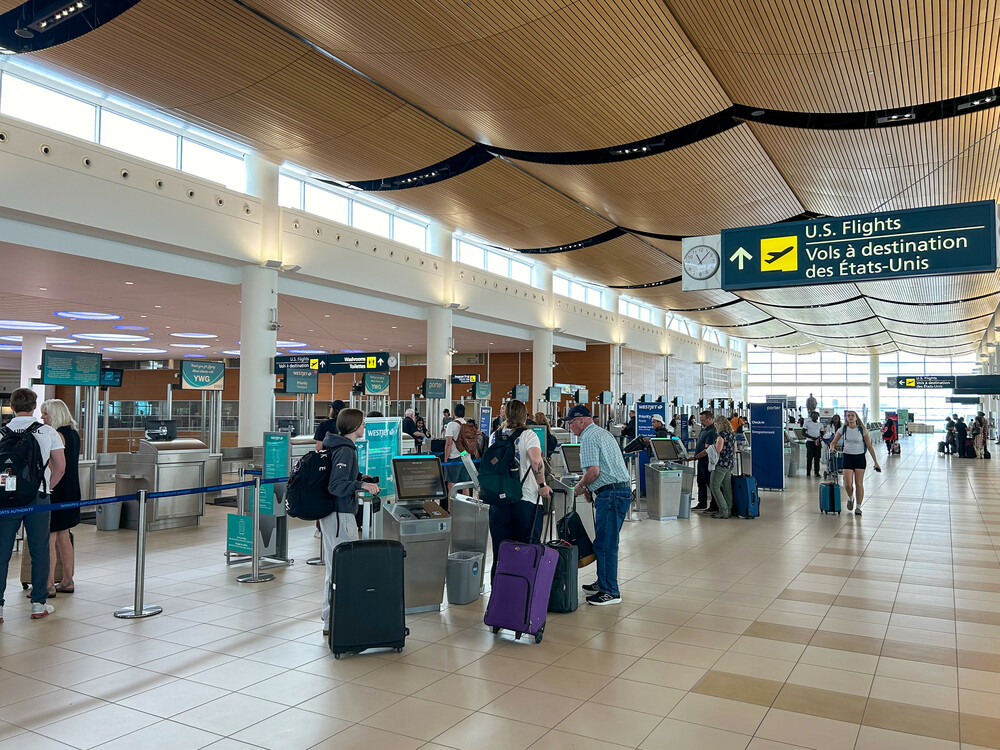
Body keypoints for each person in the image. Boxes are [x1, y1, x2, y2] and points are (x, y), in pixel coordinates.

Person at [0, 388, 66, 622]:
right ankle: (38, 603)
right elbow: (60, 467)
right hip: (38, 498)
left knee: (2, 552)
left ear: (11, 405)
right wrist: (46, 487)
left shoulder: (2, 432)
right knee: (40, 550)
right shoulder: (47, 431)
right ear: (35, 406)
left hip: (6, 499)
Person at [319, 408, 379, 636]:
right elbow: (335, 486)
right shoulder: (344, 450)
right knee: (342, 567)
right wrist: (360, 485)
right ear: (354, 427)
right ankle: (336, 619)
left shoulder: (337, 446)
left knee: (335, 567)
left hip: (335, 515)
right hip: (339, 516)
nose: (364, 427)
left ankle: (331, 618)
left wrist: (358, 478)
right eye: (362, 423)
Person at [567, 405, 631, 606]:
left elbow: (594, 470)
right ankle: (602, 581)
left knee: (605, 543)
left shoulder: (587, 437)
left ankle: (610, 591)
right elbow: (603, 468)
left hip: (611, 495)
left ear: (581, 420)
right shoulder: (603, 433)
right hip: (619, 491)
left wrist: (580, 486)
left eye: (571, 423)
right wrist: (591, 488)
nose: (570, 428)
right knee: (605, 540)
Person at [487, 400, 551, 582]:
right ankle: (525, 592)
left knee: (501, 549)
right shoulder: (529, 435)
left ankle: (500, 592)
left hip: (499, 501)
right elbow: (536, 461)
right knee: (527, 549)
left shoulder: (495, 435)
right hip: (526, 500)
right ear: (525, 415)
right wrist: (542, 485)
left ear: (505, 414)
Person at [41, 399, 79, 595]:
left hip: (56, 491)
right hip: (72, 490)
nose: (42, 417)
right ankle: (67, 580)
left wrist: (47, 487)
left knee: (49, 538)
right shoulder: (73, 433)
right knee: (64, 536)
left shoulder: (56, 435)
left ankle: (48, 585)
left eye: (45, 414)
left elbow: (56, 467)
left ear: (54, 414)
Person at [830, 410, 881, 517]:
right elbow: (833, 442)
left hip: (859, 458)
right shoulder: (843, 429)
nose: (850, 417)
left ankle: (858, 507)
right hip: (847, 457)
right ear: (846, 418)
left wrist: (876, 462)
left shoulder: (862, 430)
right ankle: (850, 498)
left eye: (852, 415)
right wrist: (832, 448)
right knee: (848, 484)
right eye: (848, 416)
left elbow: (870, 447)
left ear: (856, 417)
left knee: (859, 483)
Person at [705, 416, 736, 518]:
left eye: (715, 424)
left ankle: (723, 510)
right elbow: (734, 450)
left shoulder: (721, 436)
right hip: (729, 464)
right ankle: (729, 509)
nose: (715, 426)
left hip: (720, 464)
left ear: (719, 424)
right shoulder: (732, 434)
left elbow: (718, 450)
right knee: (727, 487)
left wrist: (710, 447)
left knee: (714, 486)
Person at [443, 403, 471, 501]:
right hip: (466, 457)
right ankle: (466, 509)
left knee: (452, 485)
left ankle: (451, 510)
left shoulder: (451, 424)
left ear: (454, 413)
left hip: (454, 458)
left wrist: (446, 459)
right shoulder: (467, 425)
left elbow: (449, 443)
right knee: (465, 485)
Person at [693, 411, 718, 511]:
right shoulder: (704, 430)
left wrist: (695, 457)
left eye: (703, 420)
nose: (701, 422)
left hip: (707, 461)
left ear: (710, 419)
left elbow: (707, 449)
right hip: (700, 460)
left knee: (710, 482)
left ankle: (714, 504)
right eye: (701, 420)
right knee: (700, 481)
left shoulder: (712, 431)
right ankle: (702, 502)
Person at [803, 411, 823, 477]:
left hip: (817, 442)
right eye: (814, 415)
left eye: (817, 415)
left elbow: (822, 433)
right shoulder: (807, 423)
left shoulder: (820, 424)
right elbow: (803, 433)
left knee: (817, 458)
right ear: (811, 416)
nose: (815, 417)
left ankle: (816, 472)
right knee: (809, 457)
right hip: (810, 442)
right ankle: (808, 472)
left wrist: (819, 437)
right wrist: (811, 437)